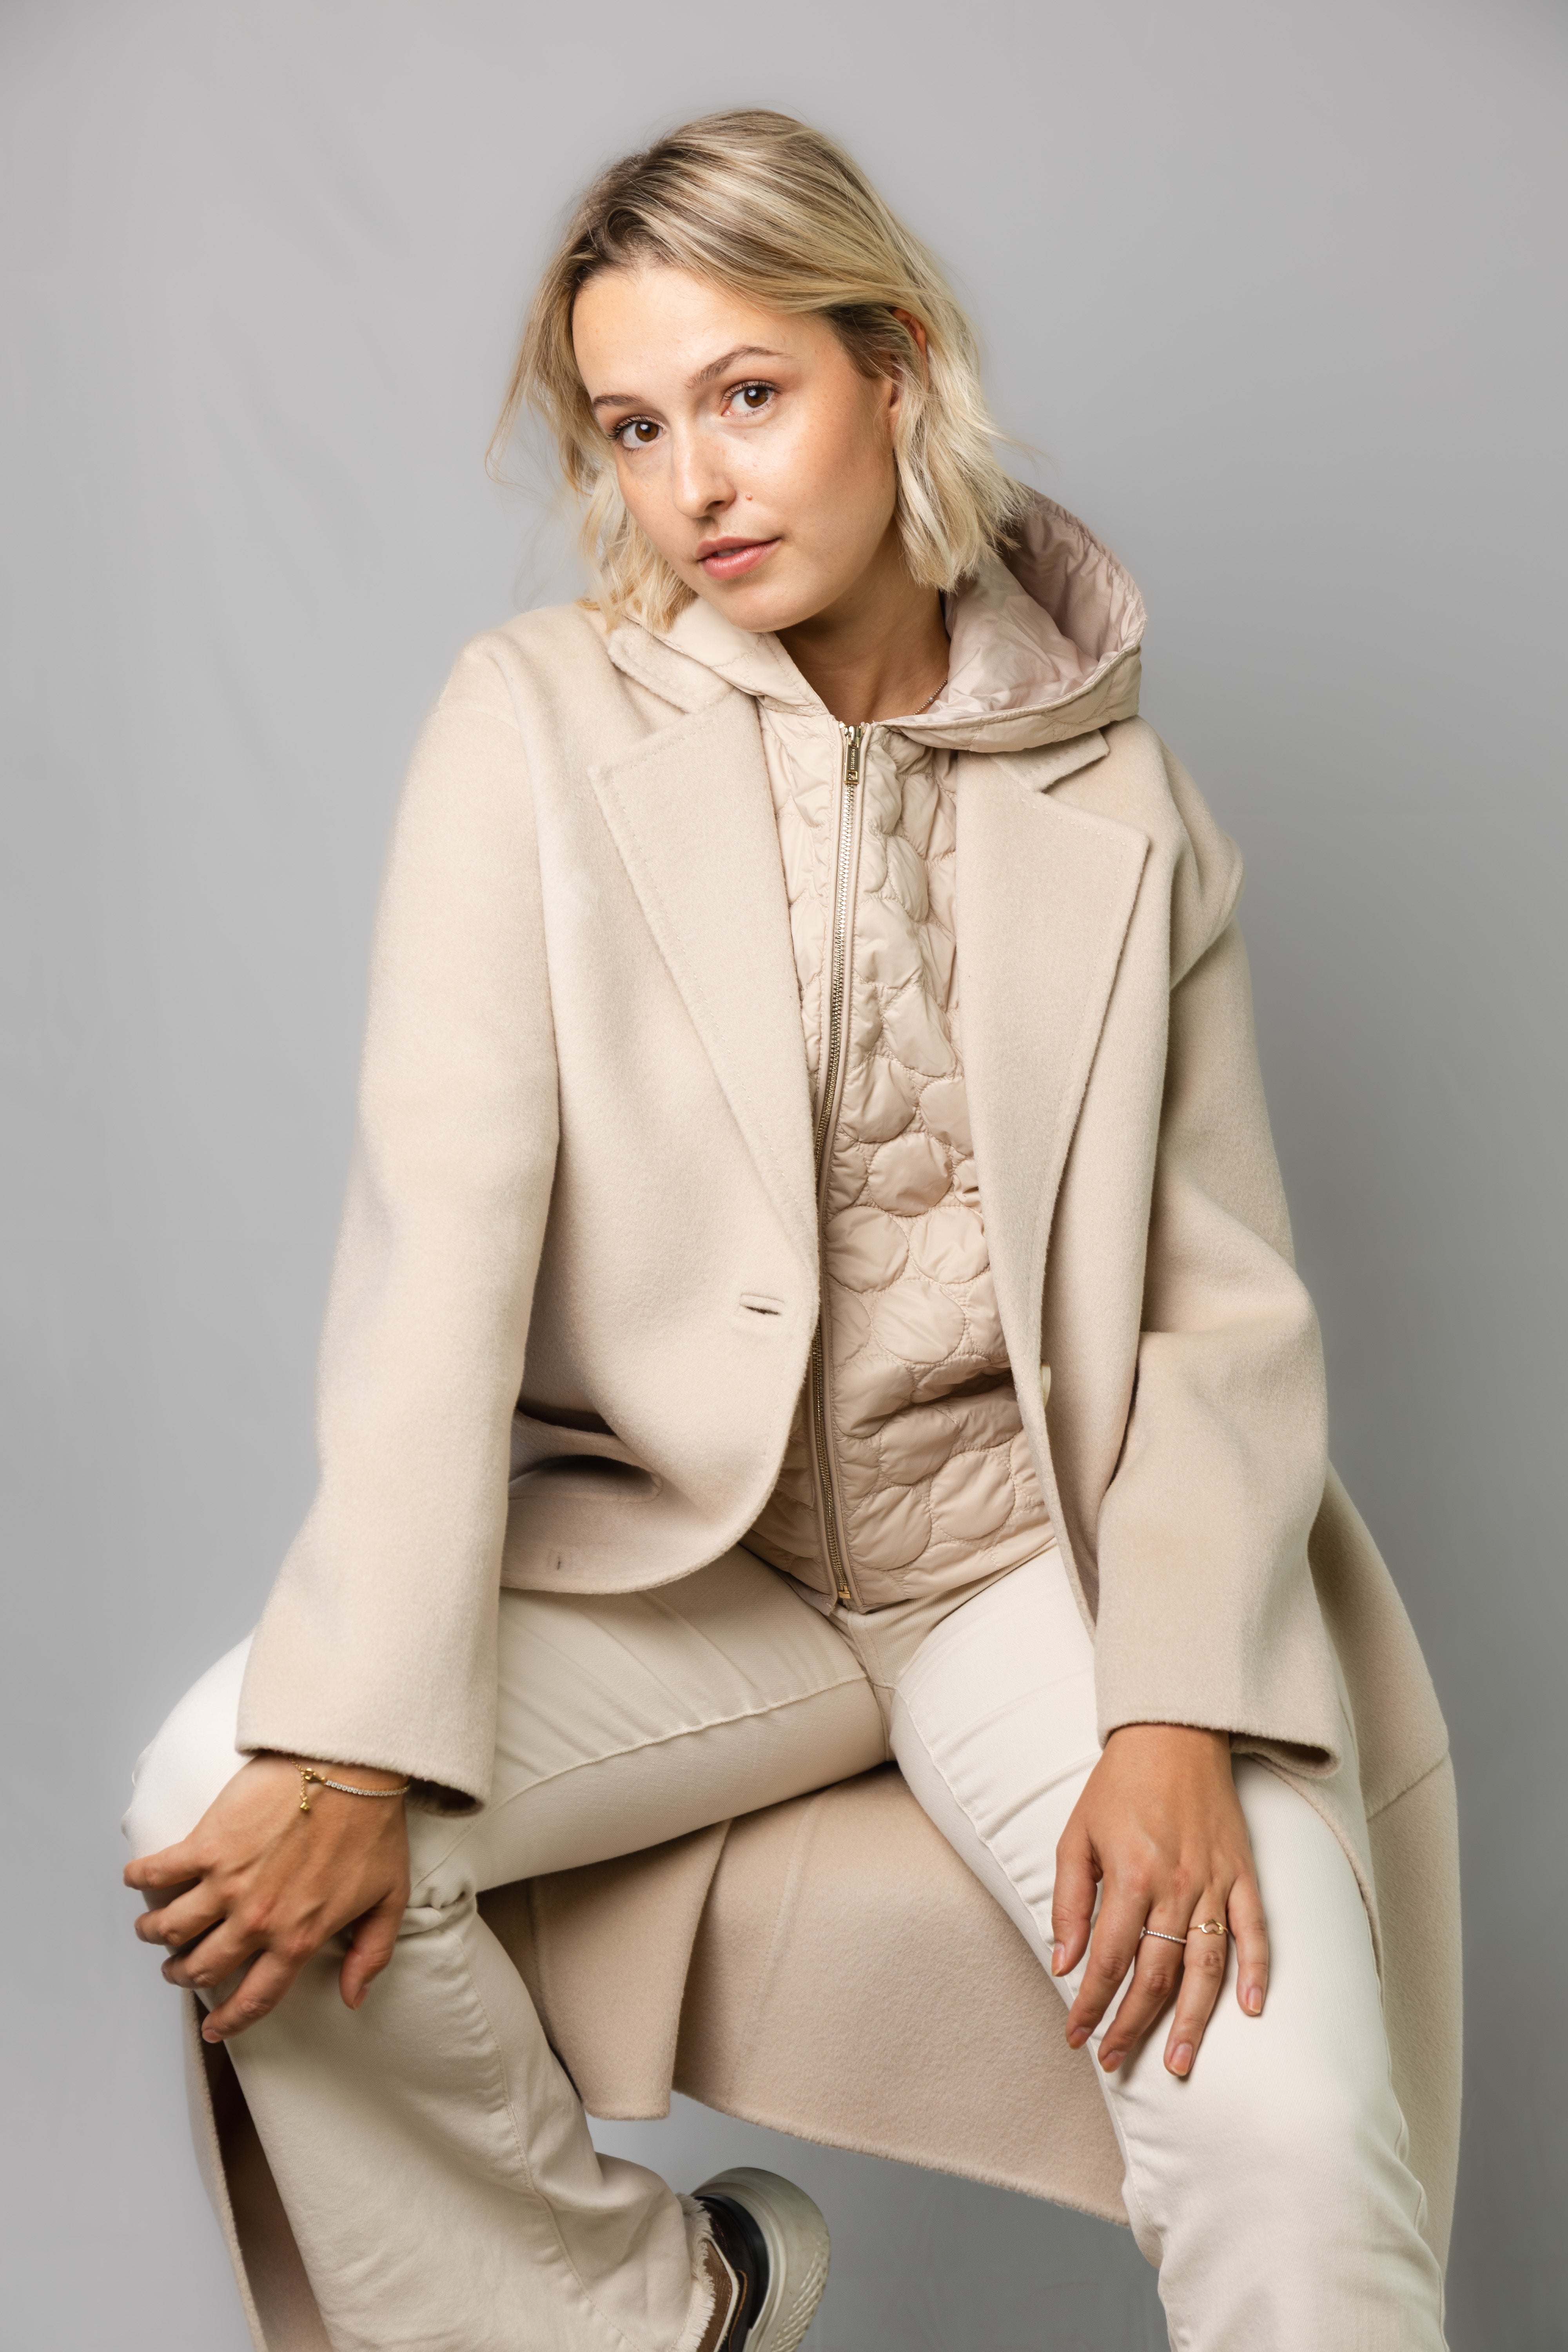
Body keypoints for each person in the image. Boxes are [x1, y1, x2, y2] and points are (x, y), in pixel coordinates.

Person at [123, 109, 1460, 2352]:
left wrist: (1166, 1713)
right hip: (686, 1574)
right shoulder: (534, 727)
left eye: (748, 394)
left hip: (1026, 1573)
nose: (696, 484)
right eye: (636, 427)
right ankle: (651, 2317)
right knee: (215, 1797)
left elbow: (1221, 1314)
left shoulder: (1127, 799)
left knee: (1290, 2119)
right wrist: (352, 1752)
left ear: (896, 366)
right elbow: (439, 1243)